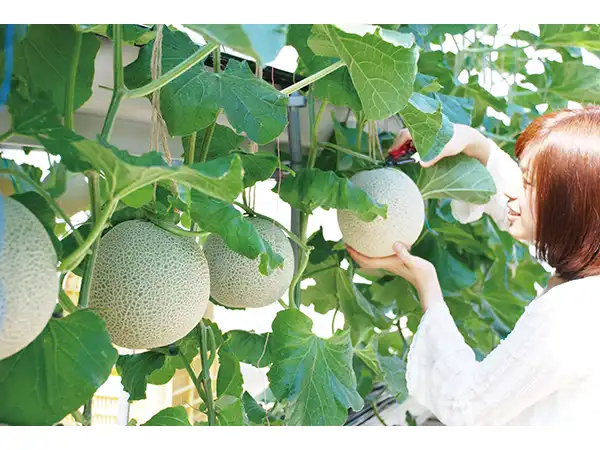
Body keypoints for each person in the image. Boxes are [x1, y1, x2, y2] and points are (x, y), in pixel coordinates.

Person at [346, 106, 600, 426]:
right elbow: (528, 214)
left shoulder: (569, 315)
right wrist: (477, 146)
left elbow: (466, 407)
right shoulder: (589, 267)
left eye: (528, 184)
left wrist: (428, 288)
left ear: (570, 207)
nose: (511, 192)